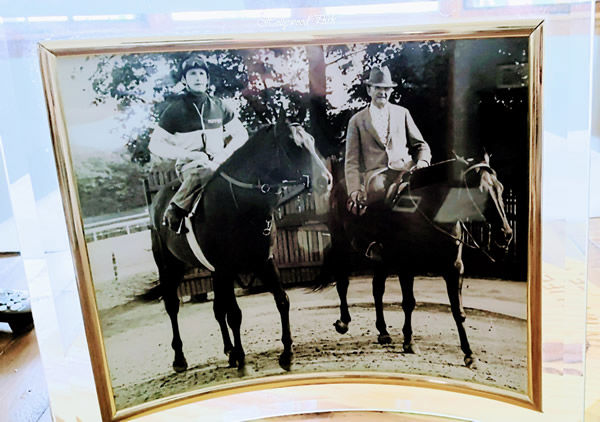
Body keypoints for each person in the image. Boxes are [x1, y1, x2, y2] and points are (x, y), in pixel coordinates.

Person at [149, 55, 249, 233]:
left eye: (201, 74)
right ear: (184, 80)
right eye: (192, 74)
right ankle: (175, 209)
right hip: (191, 166)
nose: (197, 78)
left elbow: (241, 134)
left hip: (220, 163)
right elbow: (155, 145)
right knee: (206, 170)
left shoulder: (219, 106)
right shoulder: (174, 110)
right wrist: (188, 155)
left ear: (207, 79)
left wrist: (223, 155)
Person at [344, 65, 431, 259]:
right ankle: (375, 242)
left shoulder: (402, 113)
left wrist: (423, 162)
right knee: (376, 192)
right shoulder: (357, 121)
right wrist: (354, 189)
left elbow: (421, 145)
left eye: (386, 88)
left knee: (425, 192)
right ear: (369, 90)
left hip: (405, 168)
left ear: (391, 91)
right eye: (377, 88)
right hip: (376, 173)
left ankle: (426, 241)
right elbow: (351, 161)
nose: (382, 92)